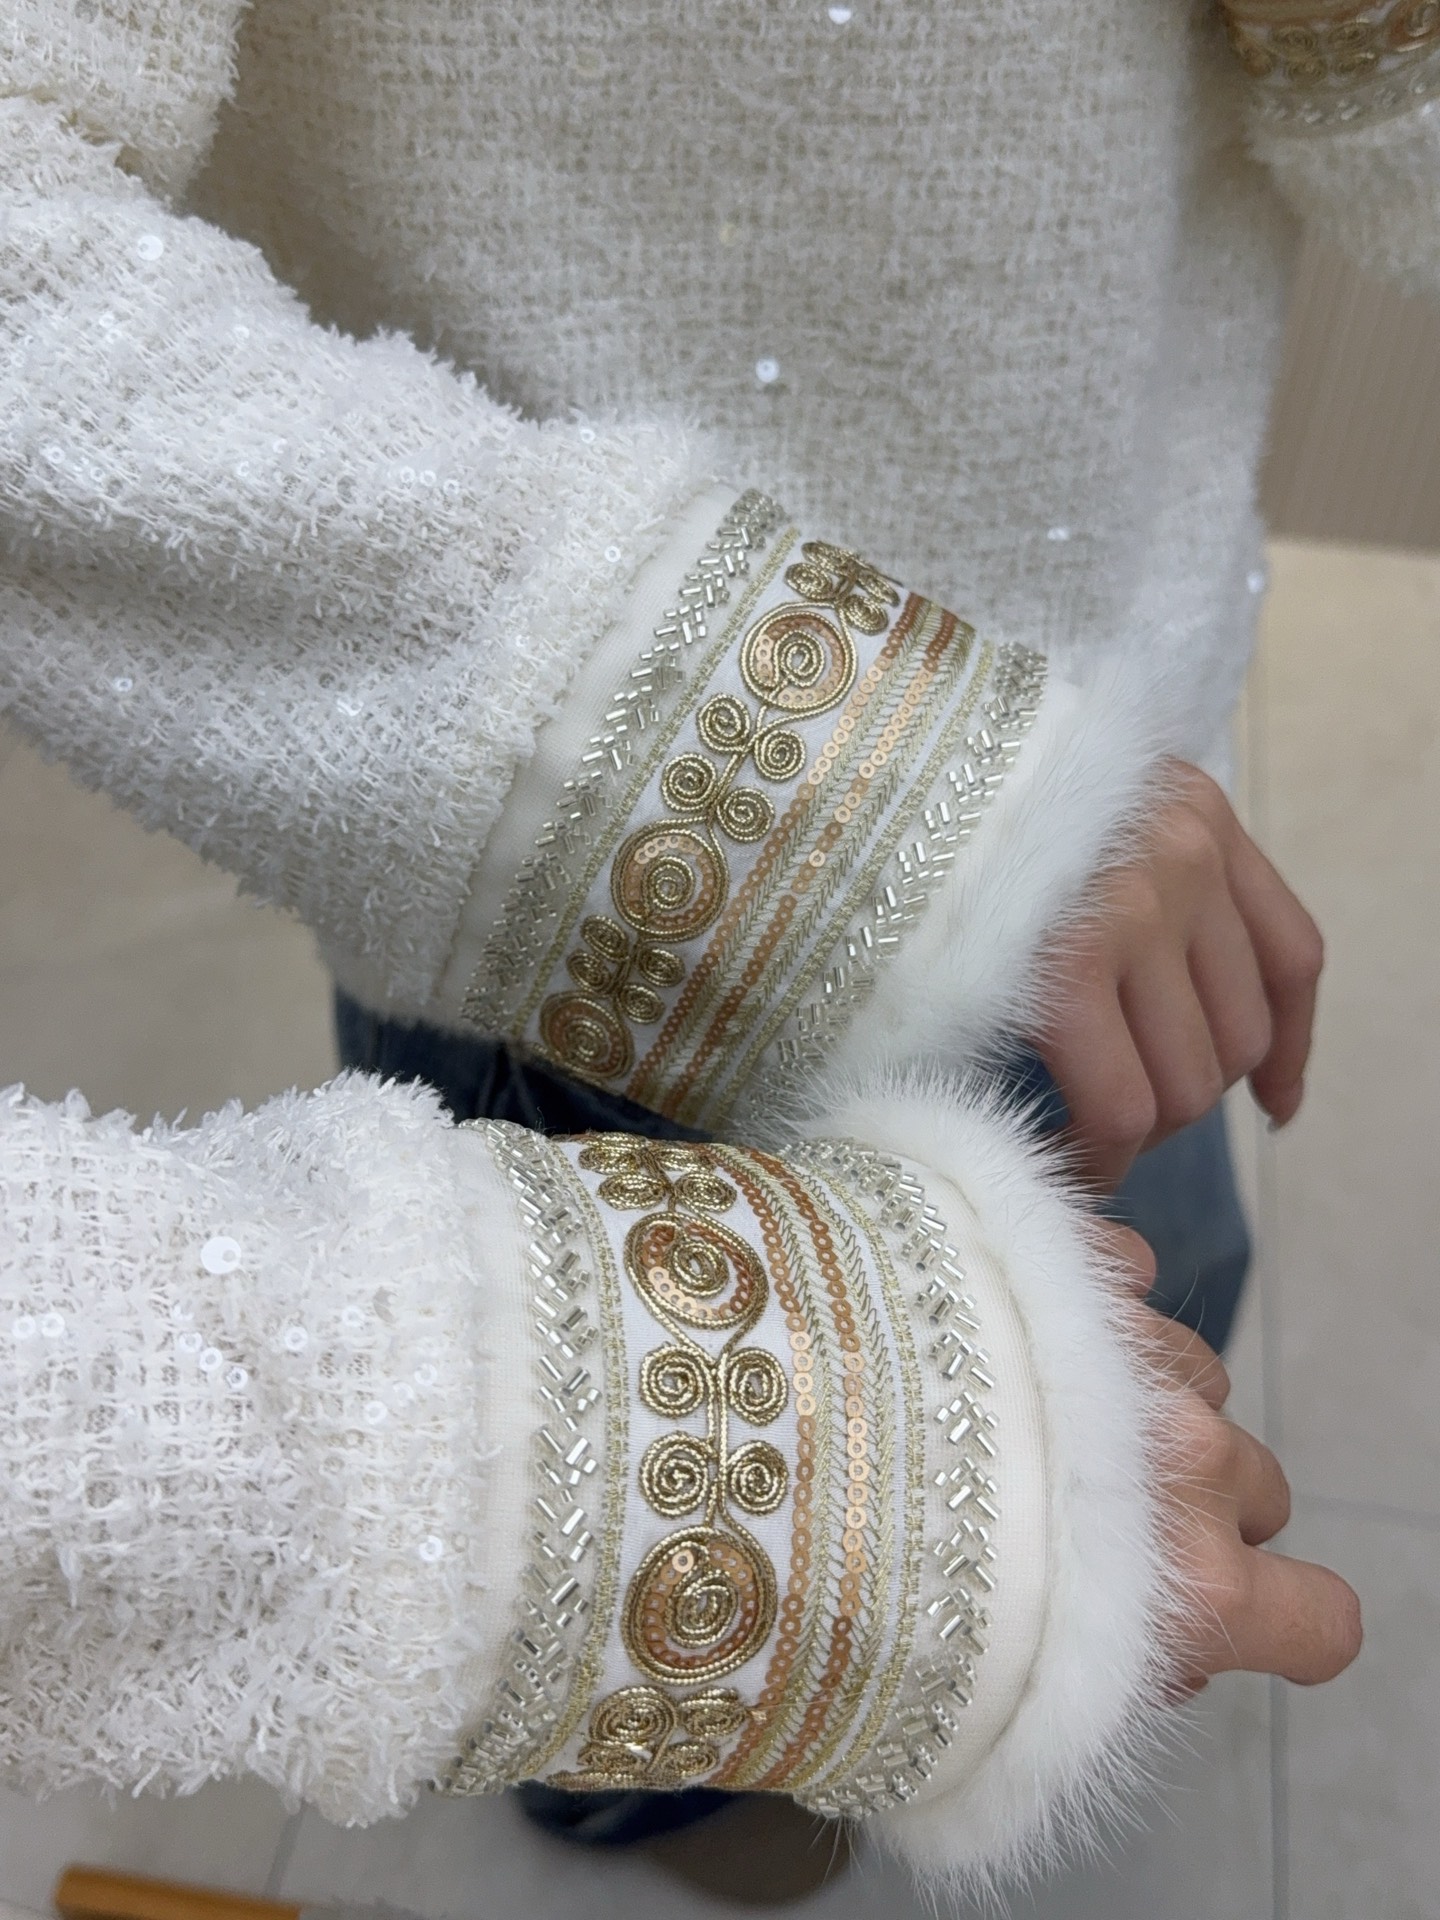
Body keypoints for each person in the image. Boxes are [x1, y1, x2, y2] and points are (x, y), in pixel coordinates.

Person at [3, 0, 1414, 1884]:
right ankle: (680, 1792)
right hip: (549, 878)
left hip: (1135, 832)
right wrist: (824, 768)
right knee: (733, 1628)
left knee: (1144, 1368)